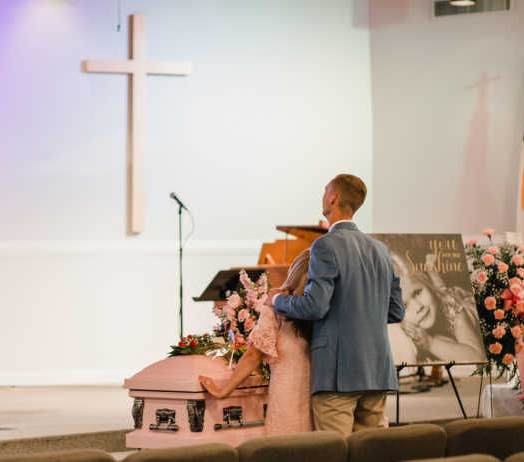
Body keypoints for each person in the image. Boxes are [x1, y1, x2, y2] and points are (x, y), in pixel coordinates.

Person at [269, 174, 404, 436]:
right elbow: (396, 310)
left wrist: (276, 299)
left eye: (325, 191)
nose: (323, 196)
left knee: (337, 458)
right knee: (369, 457)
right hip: (377, 371)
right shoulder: (381, 250)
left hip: (337, 374)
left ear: (333, 197)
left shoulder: (325, 246)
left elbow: (314, 307)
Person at [199, 249, 313, 435]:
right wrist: (223, 390)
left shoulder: (323, 308)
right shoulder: (276, 307)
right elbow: (254, 354)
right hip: (288, 402)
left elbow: (254, 355)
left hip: (318, 402)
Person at [396, 254, 484, 365]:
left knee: (443, 292)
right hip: (438, 293)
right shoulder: (401, 328)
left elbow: (476, 356)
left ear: (427, 285)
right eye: (405, 306)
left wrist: (430, 343)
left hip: (459, 301)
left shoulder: (453, 309)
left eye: (417, 292)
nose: (418, 307)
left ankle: (432, 273)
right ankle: (432, 274)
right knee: (440, 289)